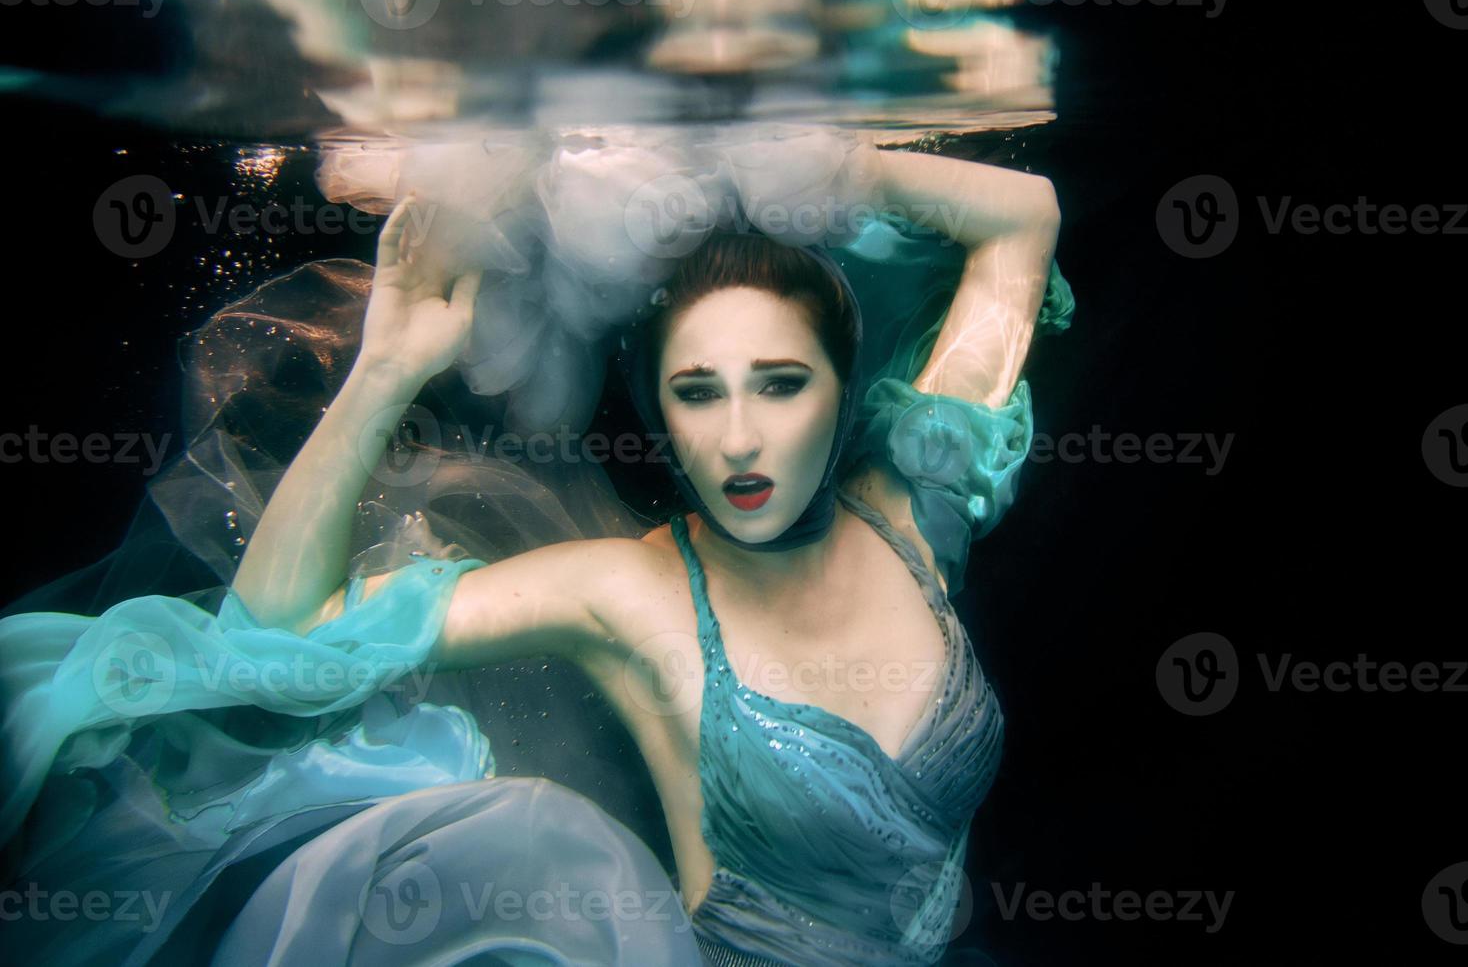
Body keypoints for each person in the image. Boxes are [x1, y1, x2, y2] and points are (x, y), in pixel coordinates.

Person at [0, 144, 1073, 965]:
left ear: (846, 394)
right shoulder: (632, 588)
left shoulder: (917, 508)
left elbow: (1022, 217)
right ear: (658, 415)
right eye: (696, 392)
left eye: (781, 382)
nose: (738, 438)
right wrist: (386, 368)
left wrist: (810, 164)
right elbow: (279, 629)